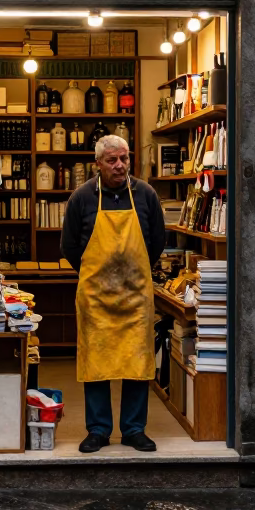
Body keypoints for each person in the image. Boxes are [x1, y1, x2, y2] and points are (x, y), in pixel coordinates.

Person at [60, 134, 166, 453]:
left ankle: (134, 429)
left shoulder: (145, 195)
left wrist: (132, 273)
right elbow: (69, 246)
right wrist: (96, 276)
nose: (120, 166)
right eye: (112, 160)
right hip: (96, 297)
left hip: (136, 296)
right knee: (96, 362)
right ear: (98, 164)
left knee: (137, 362)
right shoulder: (82, 197)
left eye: (124, 158)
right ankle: (98, 430)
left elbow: (157, 241)